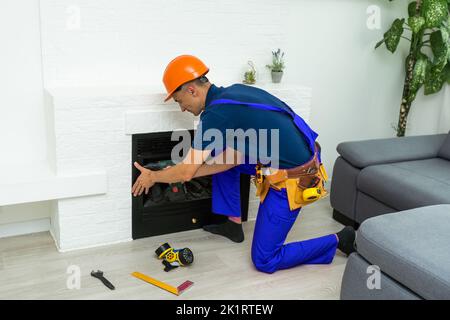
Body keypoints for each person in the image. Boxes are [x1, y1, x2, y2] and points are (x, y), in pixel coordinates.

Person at [131, 55, 356, 274]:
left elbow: (187, 171)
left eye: (180, 101)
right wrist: (187, 169)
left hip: (295, 178)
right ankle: (233, 223)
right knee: (219, 153)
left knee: (265, 260)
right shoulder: (231, 95)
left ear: (191, 89)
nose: (181, 108)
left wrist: (153, 176)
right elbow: (233, 159)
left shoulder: (216, 115)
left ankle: (338, 240)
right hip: (290, 157)